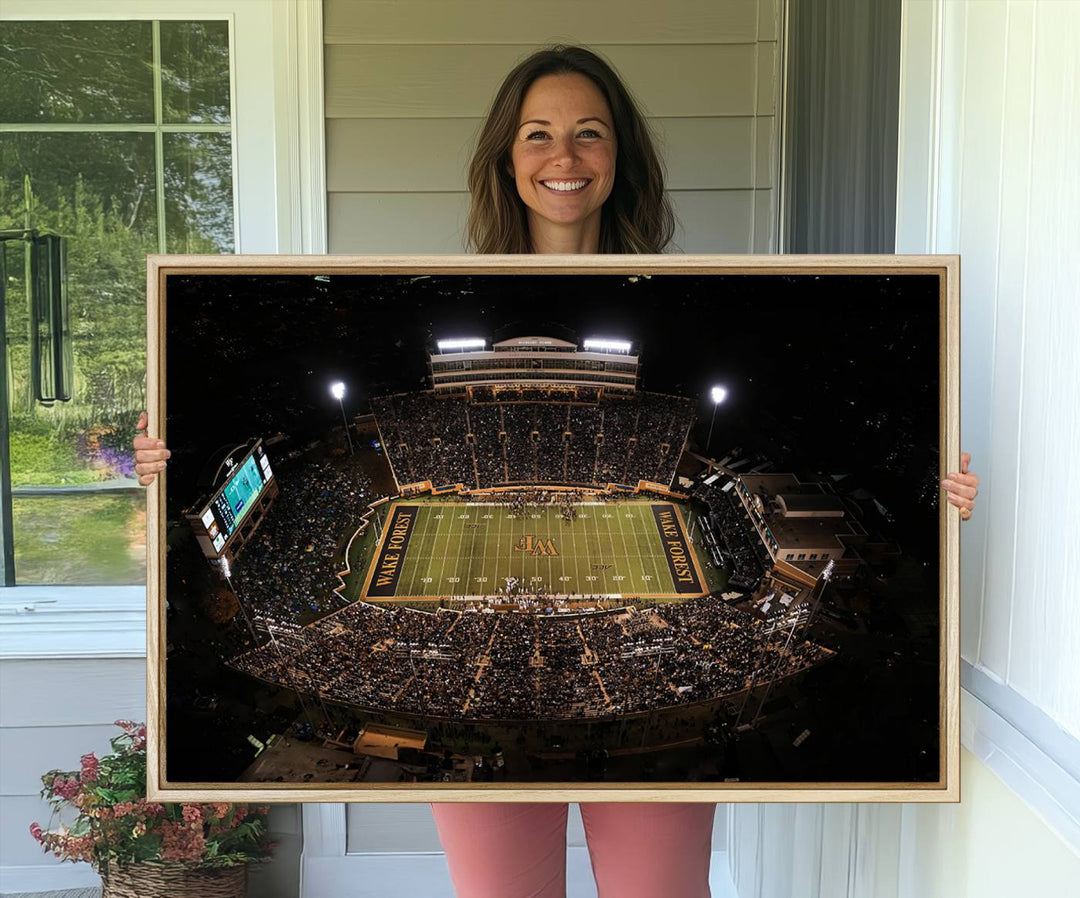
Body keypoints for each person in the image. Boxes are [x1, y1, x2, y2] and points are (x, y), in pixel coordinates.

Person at [135, 45, 980, 898]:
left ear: (621, 157)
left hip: (649, 756)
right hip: (495, 744)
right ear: (507, 157)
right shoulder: (442, 286)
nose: (564, 157)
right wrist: (161, 466)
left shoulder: (679, 282)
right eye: (538, 134)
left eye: (589, 133)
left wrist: (934, 495)